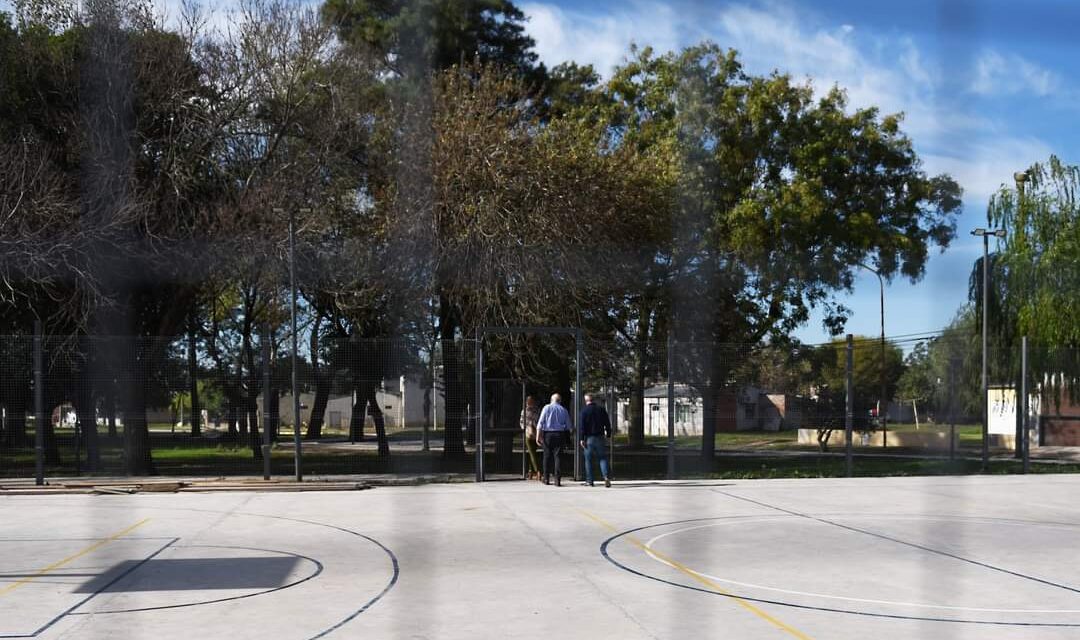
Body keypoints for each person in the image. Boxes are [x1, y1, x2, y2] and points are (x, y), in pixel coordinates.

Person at [536, 393, 572, 486]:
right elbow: (568, 426)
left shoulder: (546, 408)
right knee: (558, 456)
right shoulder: (563, 410)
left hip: (548, 434)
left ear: (551, 400)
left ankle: (546, 478)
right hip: (560, 434)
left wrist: (538, 436)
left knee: (547, 456)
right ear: (560, 400)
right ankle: (557, 480)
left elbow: (540, 422)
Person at [579, 394, 612, 487]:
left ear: (586, 401)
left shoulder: (584, 411)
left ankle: (590, 480)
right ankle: (606, 477)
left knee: (588, 459)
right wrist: (608, 434)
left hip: (589, 438)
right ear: (594, 400)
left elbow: (582, 427)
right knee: (602, 457)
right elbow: (607, 423)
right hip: (600, 436)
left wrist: (581, 438)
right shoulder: (601, 409)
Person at [520, 395, 541, 480]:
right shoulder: (529, 411)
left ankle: (531, 471)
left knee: (532, 453)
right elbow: (522, 422)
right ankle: (536, 471)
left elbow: (522, 423)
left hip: (532, 433)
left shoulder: (528, 411)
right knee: (532, 452)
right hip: (532, 433)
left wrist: (528, 427)